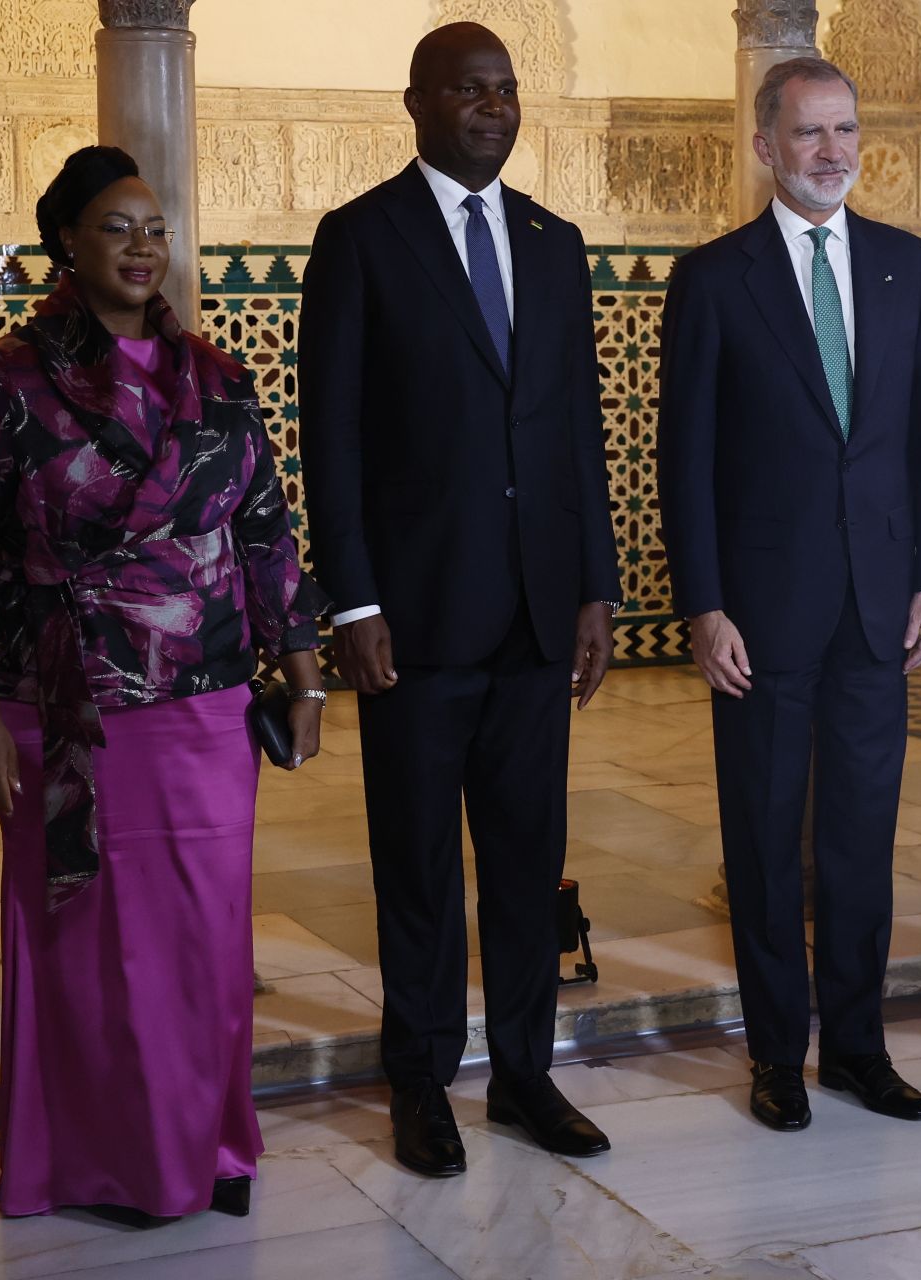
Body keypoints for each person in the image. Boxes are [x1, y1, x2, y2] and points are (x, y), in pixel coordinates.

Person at [0, 145, 329, 1221]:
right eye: (117, 226)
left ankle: (213, 1145)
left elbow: (267, 533)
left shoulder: (217, 377)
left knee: (204, 938)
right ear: (67, 242)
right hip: (63, 710)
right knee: (90, 942)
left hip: (204, 704)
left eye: (154, 226)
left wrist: (305, 678)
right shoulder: (4, 384)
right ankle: (97, 1162)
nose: (144, 245)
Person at [299, 22, 621, 1176]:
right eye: (470, 91)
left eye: (507, 90)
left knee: (529, 859)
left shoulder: (553, 239)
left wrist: (597, 586)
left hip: (540, 614)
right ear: (418, 103)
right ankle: (423, 1077)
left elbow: (577, 432)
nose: (494, 107)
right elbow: (328, 438)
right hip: (419, 620)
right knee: (422, 863)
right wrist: (351, 602)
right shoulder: (361, 240)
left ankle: (526, 1073)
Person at [658, 57, 921, 1132]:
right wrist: (704, 602)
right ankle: (778, 1053)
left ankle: (860, 1048)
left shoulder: (906, 267)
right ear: (765, 146)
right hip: (762, 611)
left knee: (860, 842)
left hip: (881, 608)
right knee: (766, 837)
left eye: (846, 129)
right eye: (809, 133)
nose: (832, 151)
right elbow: (682, 459)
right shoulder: (713, 279)